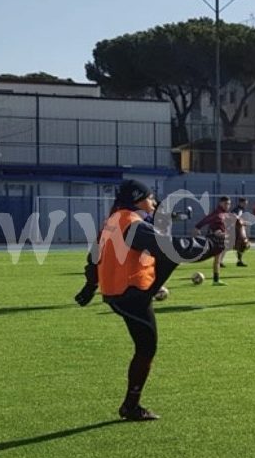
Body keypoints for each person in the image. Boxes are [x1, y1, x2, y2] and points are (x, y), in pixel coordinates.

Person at [92, 180, 223, 421]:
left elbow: (94, 256)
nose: (153, 202)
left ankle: (131, 405)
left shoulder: (115, 220)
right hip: (130, 293)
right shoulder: (132, 225)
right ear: (139, 199)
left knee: (167, 257)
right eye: (151, 197)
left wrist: (90, 285)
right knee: (146, 348)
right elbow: (172, 247)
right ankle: (131, 406)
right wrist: (212, 245)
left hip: (119, 291)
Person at [194, 196, 233, 285]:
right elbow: (206, 220)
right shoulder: (217, 214)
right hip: (214, 239)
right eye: (226, 203)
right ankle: (215, 280)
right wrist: (197, 227)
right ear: (220, 203)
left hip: (219, 239)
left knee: (217, 260)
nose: (228, 205)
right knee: (213, 259)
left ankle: (216, 280)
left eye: (229, 204)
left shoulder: (224, 214)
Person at [230, 197, 250, 267]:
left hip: (239, 230)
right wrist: (244, 222)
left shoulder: (240, 209)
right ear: (240, 203)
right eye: (244, 203)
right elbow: (235, 217)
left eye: (246, 203)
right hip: (236, 230)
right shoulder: (238, 210)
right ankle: (239, 261)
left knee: (241, 246)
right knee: (242, 245)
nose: (245, 205)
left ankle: (239, 261)